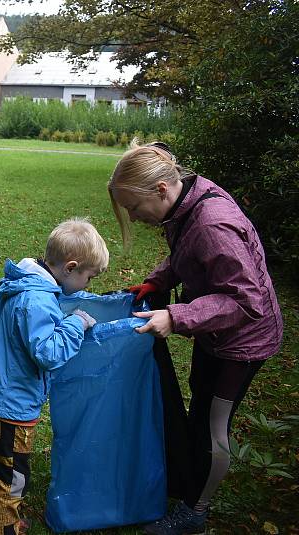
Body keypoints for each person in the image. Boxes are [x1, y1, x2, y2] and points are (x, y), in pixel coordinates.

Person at [108, 140, 283, 535]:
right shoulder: (188, 202)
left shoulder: (212, 222)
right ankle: (189, 480)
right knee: (200, 407)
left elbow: (247, 298)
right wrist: (159, 279)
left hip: (243, 342)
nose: (132, 218)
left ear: (160, 190)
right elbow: (189, 253)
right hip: (217, 333)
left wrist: (177, 315)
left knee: (213, 424)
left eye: (134, 208)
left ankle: (195, 511)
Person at [0, 218, 108, 535]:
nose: (88, 285)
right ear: (71, 268)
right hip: (15, 407)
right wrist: (76, 323)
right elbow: (48, 354)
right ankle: (4, 528)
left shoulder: (16, 282)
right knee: (12, 475)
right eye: (89, 277)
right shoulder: (41, 300)